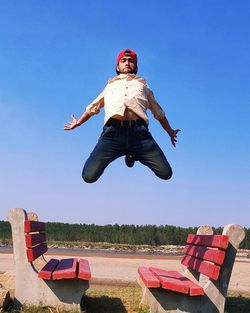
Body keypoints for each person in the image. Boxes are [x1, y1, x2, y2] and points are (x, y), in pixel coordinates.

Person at [64, 49, 180, 183]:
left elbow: (158, 112)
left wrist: (170, 132)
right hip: (112, 134)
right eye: (123, 61)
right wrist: (78, 122)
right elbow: (93, 107)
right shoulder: (110, 86)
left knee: (166, 173)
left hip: (140, 136)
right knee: (88, 176)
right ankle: (127, 151)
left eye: (131, 61)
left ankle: (133, 153)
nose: (127, 63)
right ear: (117, 66)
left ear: (135, 66)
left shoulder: (143, 86)